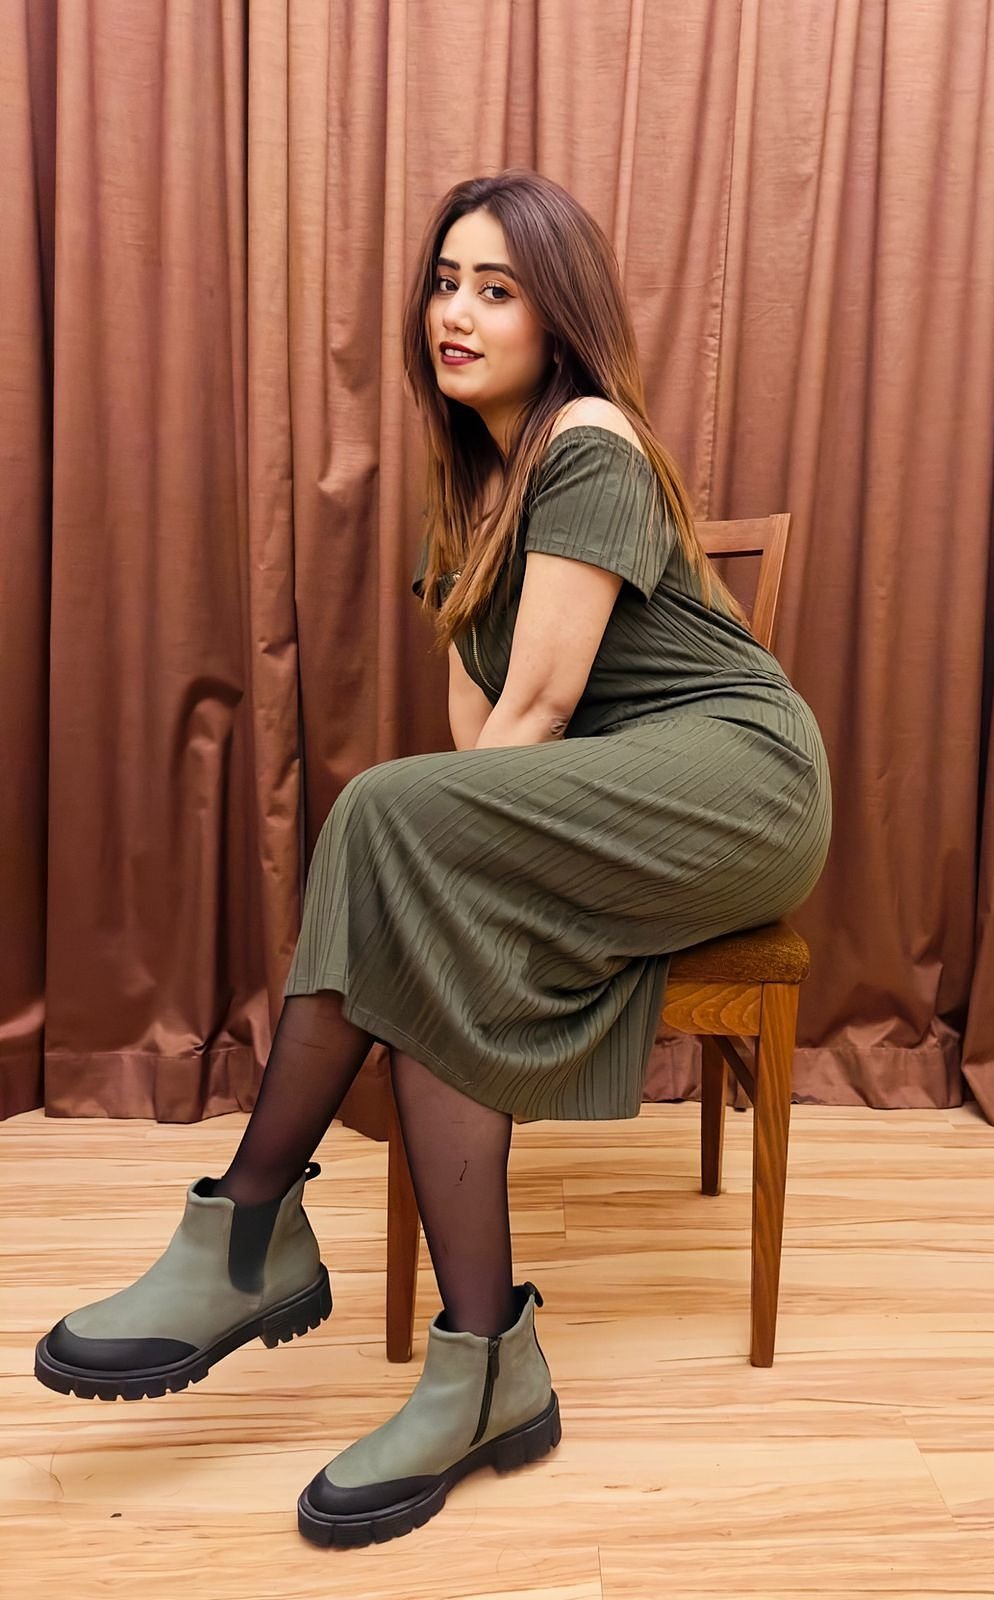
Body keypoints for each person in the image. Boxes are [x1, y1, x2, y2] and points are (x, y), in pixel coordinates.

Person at [33, 169, 832, 1548]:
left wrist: (426, 846)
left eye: (496, 290)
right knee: (416, 870)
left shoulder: (590, 441)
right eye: (444, 283)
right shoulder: (470, 495)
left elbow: (537, 713)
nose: (454, 312)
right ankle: (486, 1366)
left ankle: (249, 1229)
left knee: (388, 821)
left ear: (557, 318)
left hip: (740, 779)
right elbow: (478, 741)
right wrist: (435, 874)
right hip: (611, 799)